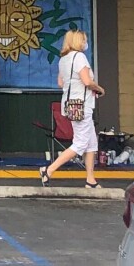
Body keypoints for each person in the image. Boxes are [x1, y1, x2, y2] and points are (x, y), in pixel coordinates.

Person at [39, 29, 105, 188]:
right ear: (77, 42)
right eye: (83, 40)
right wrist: (100, 89)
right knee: (81, 143)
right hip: (83, 105)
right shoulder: (80, 57)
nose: (85, 43)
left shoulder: (63, 59)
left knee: (91, 143)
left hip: (69, 104)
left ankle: (90, 179)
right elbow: (87, 81)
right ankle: (49, 170)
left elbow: (61, 83)